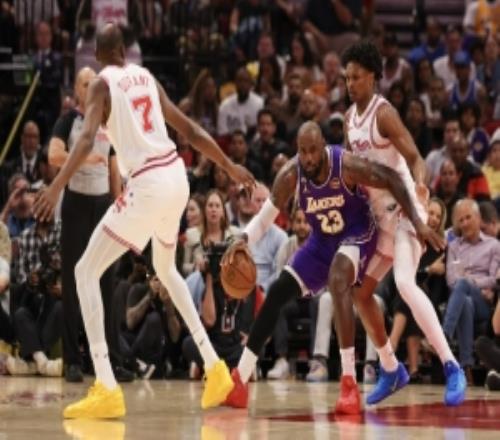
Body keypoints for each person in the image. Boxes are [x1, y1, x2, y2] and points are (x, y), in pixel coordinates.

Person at [33, 24, 255, 419]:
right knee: (165, 269)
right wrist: (228, 164)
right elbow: (189, 130)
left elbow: (84, 140)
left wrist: (55, 186)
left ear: (98, 55)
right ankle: (216, 368)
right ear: (125, 50)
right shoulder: (147, 77)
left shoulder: (101, 84)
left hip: (148, 184)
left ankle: (105, 386)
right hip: (176, 179)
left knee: (84, 271)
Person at [221, 121, 442, 412]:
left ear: (323, 145)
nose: (308, 158)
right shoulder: (291, 174)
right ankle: (240, 379)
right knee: (276, 292)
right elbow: (265, 217)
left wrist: (417, 221)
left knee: (339, 279)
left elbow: (391, 178)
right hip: (322, 242)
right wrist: (243, 238)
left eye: (313, 150)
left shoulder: (345, 164)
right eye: (303, 151)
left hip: (357, 233)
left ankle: (349, 382)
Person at [342, 40, 466, 407]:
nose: (350, 84)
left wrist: (422, 189)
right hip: (378, 217)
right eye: (347, 78)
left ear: (373, 77)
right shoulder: (348, 120)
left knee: (404, 283)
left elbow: (415, 158)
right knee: (360, 293)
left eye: (356, 77)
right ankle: (391, 367)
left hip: (406, 210)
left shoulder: (384, 114)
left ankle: (452, 366)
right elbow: (354, 172)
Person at [49, 66, 125, 384]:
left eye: (94, 81)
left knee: (107, 283)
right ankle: (72, 360)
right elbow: (54, 156)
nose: (90, 86)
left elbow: (114, 169)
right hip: (76, 204)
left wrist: (120, 207)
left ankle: (108, 360)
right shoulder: (68, 121)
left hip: (103, 205)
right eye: (84, 83)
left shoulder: (108, 121)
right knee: (72, 282)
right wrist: (82, 157)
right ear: (77, 91)